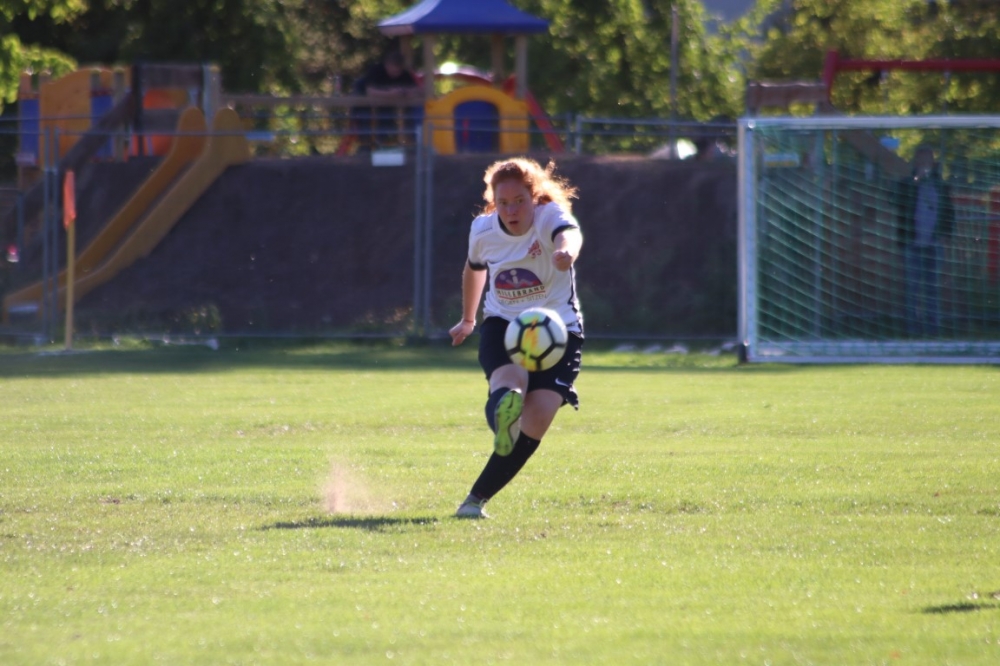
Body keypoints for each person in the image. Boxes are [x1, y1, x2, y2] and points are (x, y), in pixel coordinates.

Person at [448, 158, 585, 519]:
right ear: (493, 200)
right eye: (503, 202)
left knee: (536, 421)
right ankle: (504, 416)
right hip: (504, 324)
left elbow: (569, 233)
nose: (511, 209)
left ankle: (474, 500)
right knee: (510, 384)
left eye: (519, 201)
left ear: (533, 197)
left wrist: (566, 251)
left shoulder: (548, 216)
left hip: (558, 330)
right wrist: (467, 319)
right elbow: (474, 269)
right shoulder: (482, 229)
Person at [895, 145, 955, 337]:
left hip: (933, 244)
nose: (924, 164)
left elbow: (948, 213)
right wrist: (916, 181)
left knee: (932, 289)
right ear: (915, 162)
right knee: (911, 289)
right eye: (920, 160)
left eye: (927, 160)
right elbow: (895, 201)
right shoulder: (906, 184)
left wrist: (946, 235)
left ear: (933, 162)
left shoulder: (940, 185)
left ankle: (932, 330)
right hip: (912, 244)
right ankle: (911, 330)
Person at [350, 51, 419, 149]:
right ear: (387, 65)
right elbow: (370, 91)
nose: (396, 74)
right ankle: (365, 147)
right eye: (394, 71)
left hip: (386, 107)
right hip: (364, 105)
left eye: (398, 71)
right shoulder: (376, 70)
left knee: (387, 121)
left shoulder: (404, 74)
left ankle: (383, 145)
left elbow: (416, 89)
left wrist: (404, 92)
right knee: (365, 121)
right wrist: (390, 94)